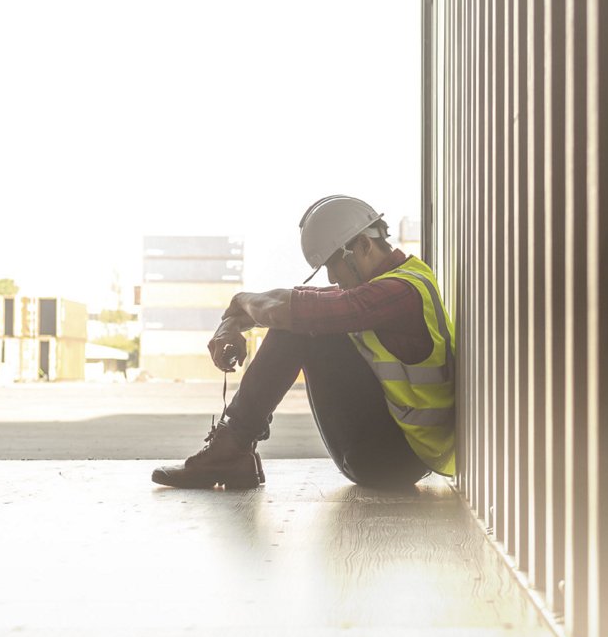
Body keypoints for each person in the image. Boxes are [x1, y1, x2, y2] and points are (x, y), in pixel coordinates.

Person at [151, 195, 456, 489]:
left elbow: (295, 310)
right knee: (302, 318)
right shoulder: (398, 281)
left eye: (334, 264)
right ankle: (234, 451)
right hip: (398, 452)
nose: (333, 278)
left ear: (363, 245)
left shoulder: (399, 291)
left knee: (299, 324)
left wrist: (240, 301)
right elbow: (297, 302)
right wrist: (233, 318)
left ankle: (231, 449)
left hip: (392, 459)